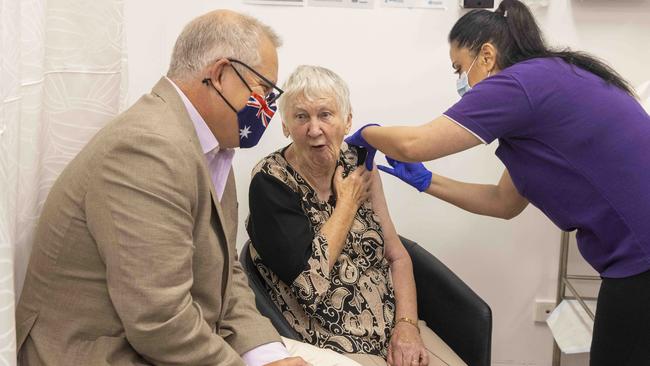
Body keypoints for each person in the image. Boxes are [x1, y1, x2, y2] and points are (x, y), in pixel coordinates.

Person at [345, 1, 650, 365]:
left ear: (487, 55)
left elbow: (416, 143)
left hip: (640, 258)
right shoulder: (549, 83)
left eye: (460, 68)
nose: (461, 82)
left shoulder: (519, 84)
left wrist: (367, 133)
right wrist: (427, 182)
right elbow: (504, 202)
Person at [15, 10, 307, 366]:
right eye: (264, 91)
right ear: (220, 75)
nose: (268, 109)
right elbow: (160, 320)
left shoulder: (212, 148)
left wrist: (269, 356)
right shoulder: (148, 149)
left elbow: (226, 274)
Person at [246, 65, 467, 366]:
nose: (314, 129)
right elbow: (309, 283)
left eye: (325, 114)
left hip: (394, 328)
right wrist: (347, 204)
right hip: (330, 343)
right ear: (285, 125)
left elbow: (396, 255)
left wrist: (407, 325)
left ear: (348, 120)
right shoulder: (271, 182)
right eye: (301, 117)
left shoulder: (360, 163)